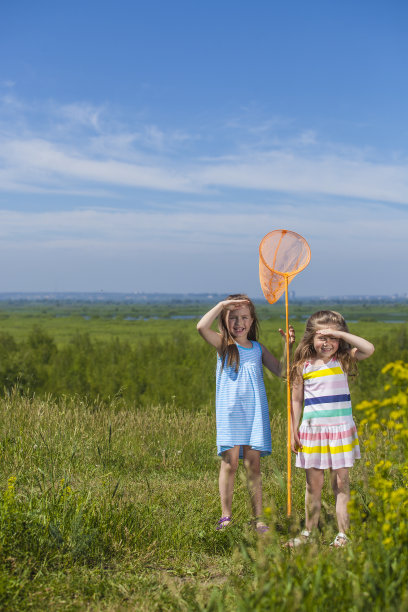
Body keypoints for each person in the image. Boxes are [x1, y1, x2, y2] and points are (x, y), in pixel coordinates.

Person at [197, 294, 294, 533]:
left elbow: (282, 371)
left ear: (252, 321)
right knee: (230, 464)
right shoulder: (224, 345)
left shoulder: (258, 349)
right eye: (232, 317)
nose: (238, 323)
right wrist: (221, 305)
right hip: (230, 415)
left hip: (254, 415)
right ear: (224, 320)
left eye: (244, 317)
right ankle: (226, 516)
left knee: (254, 467)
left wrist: (287, 347)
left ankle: (259, 519)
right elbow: (201, 327)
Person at [289, 310, 374, 547]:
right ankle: (308, 533)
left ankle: (343, 534)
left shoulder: (343, 360)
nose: (327, 343)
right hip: (312, 432)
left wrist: (338, 332)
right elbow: (296, 400)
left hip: (340, 431)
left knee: (341, 484)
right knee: (312, 485)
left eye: (333, 338)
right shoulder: (302, 366)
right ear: (311, 339)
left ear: (340, 339)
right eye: (321, 337)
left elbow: (369, 349)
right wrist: (293, 430)